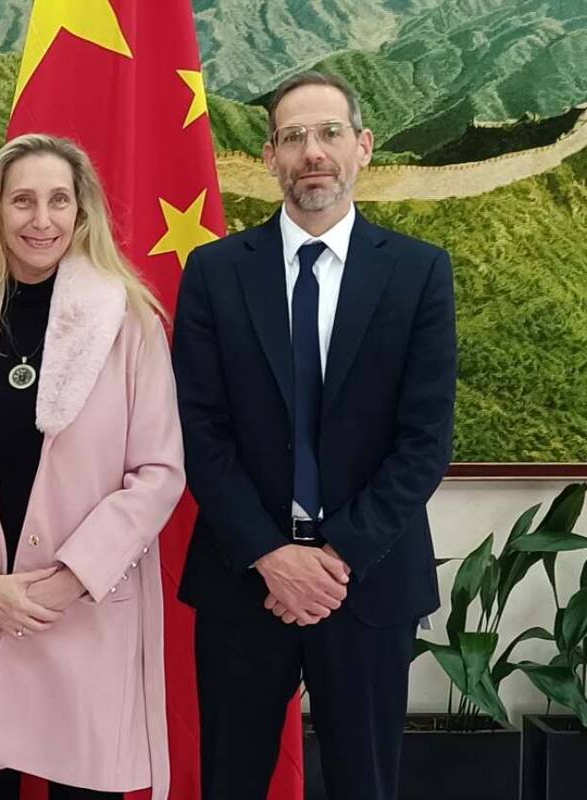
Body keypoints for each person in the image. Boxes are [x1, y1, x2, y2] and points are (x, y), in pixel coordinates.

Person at [173, 72, 457, 800]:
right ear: (270, 156)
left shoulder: (419, 273)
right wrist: (272, 557)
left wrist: (333, 559)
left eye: (330, 132)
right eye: (294, 137)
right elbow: (199, 431)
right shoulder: (214, 272)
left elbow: (424, 440)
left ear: (363, 146)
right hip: (245, 582)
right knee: (230, 783)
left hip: (367, 582)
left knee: (365, 784)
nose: (313, 152)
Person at [0, 133, 185, 800]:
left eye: (58, 201)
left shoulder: (128, 322)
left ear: (82, 211)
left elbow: (157, 472)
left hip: (80, 617)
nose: (41, 220)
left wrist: (74, 578)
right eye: (22, 201)